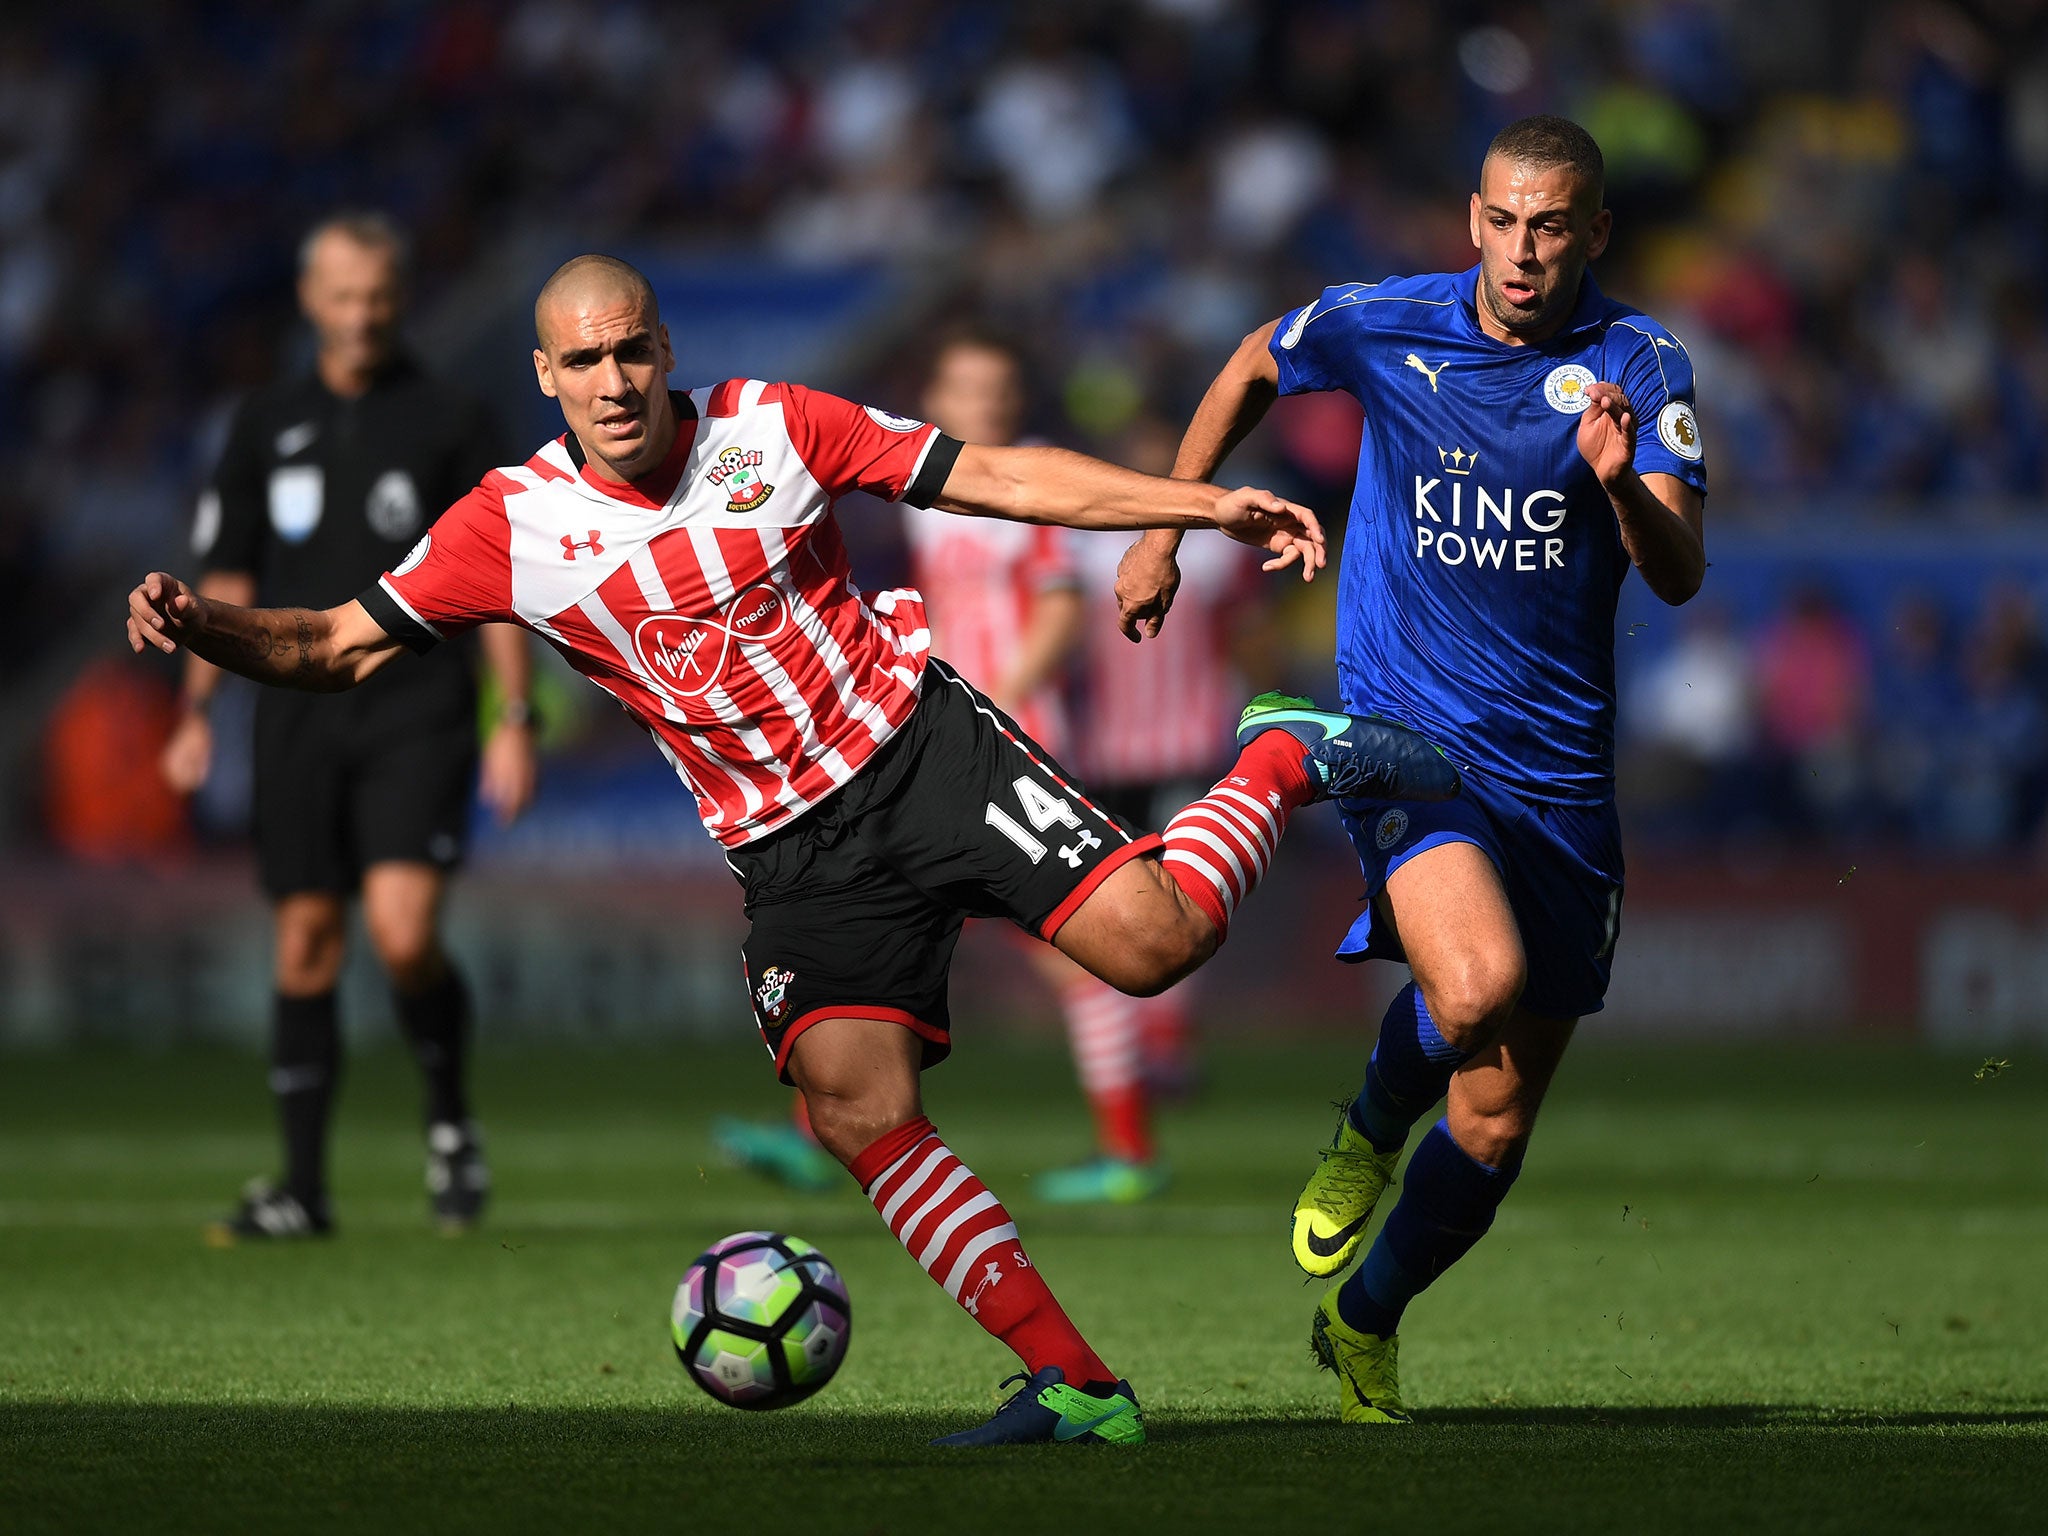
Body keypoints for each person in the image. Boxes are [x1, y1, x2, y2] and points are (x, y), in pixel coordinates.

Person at [128, 253, 1458, 1448]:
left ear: (666, 349)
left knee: (1157, 946)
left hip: (923, 753)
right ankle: (1076, 1386)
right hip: (790, 852)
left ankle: (1281, 756)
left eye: (631, 348)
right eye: (581, 360)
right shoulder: (513, 527)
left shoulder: (774, 426)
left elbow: (994, 476)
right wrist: (206, 628)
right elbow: (326, 646)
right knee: (856, 1110)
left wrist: (1195, 506)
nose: (613, 378)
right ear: (545, 376)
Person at [1117, 115, 1708, 1424]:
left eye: (1551, 225)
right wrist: (1173, 523)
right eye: (1502, 220)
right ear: (1473, 221)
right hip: (1409, 733)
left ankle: (1363, 1320)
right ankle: (1370, 1129)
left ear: (1593, 234)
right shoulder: (1388, 321)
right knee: (1479, 982)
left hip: (1557, 780)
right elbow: (1252, 363)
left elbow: (1679, 572)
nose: (1521, 249)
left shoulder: (1640, 362)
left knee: (1496, 1126)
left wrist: (1620, 486)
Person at [716, 329, 1171, 1203]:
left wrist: (993, 703)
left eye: (998, 387)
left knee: (1065, 957)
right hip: (930, 746)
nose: (985, 403)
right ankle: (821, 1130)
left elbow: (1062, 607)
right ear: (940, 398)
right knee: (883, 941)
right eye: (967, 387)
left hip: (999, 741)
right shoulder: (934, 497)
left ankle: (1129, 1146)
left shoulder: (1023, 482)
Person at [160, 214, 537, 1241]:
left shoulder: (452, 417)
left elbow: (501, 583)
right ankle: (300, 1189)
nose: (362, 315)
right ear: (310, 299)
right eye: (343, 296)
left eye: (378, 295)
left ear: (400, 297)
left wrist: (512, 718)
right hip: (292, 716)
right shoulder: (260, 420)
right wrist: (197, 709)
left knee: (405, 934)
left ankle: (451, 1124)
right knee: (305, 942)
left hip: (417, 703)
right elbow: (228, 579)